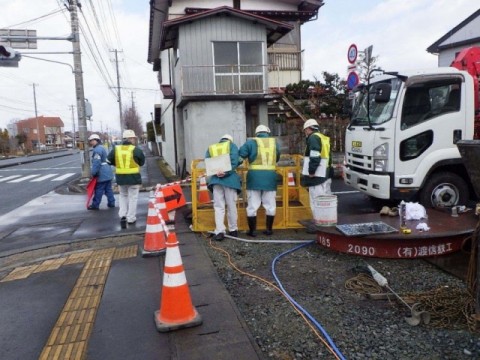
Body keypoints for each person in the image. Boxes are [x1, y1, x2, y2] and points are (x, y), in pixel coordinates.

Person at [239, 125, 280, 237]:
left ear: (256, 133)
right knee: (270, 205)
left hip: (254, 179)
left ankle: (252, 231)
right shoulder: (274, 143)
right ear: (268, 132)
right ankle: (269, 230)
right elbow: (277, 157)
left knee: (252, 205)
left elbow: (240, 156)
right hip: (270, 179)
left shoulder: (251, 142)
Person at [205, 134, 242, 241]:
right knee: (231, 206)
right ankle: (233, 230)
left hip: (216, 181)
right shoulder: (232, 146)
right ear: (230, 140)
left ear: (221, 140)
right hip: (230, 181)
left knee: (218, 207)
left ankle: (220, 231)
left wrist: (217, 173)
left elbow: (208, 162)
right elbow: (234, 161)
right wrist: (226, 172)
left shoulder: (212, 147)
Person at [107, 129, 145, 228]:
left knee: (123, 196)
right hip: (134, 178)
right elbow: (142, 162)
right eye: (134, 138)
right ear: (131, 138)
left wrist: (117, 164)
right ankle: (131, 218)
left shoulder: (116, 149)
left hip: (120, 178)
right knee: (133, 198)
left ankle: (123, 215)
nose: (134, 140)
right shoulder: (136, 150)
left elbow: (108, 160)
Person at [300, 119, 333, 217]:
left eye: (305, 130)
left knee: (316, 201)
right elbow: (329, 157)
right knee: (326, 200)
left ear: (309, 128)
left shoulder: (313, 138)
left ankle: (319, 223)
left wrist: (311, 171)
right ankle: (327, 220)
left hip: (317, 176)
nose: (305, 132)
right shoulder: (323, 137)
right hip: (326, 173)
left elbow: (315, 155)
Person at [87, 134, 116, 210]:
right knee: (108, 189)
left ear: (96, 140)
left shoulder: (97, 150)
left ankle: (95, 205)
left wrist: (93, 173)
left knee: (99, 189)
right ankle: (111, 203)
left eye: (92, 141)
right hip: (108, 172)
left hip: (102, 173)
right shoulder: (102, 147)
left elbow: (96, 163)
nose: (91, 142)